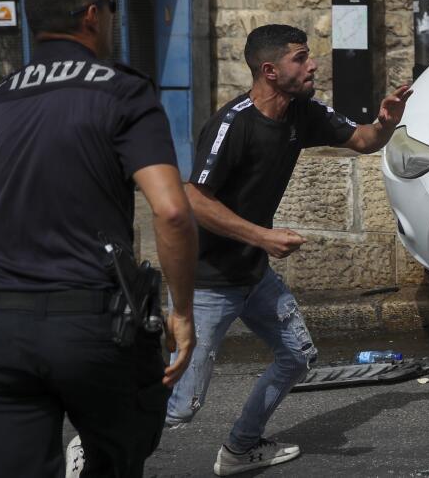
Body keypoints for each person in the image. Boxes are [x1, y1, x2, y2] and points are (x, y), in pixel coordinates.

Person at [0, 0, 198, 477]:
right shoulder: (121, 90)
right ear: (92, 16)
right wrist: (181, 311)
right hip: (93, 324)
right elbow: (171, 211)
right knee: (119, 456)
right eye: (113, 8)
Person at [165, 24, 411, 476]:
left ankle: (241, 447)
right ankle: (97, 439)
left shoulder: (303, 111)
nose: (312, 63)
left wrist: (386, 122)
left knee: (297, 357)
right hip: (207, 281)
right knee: (181, 408)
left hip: (254, 275)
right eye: (300, 57)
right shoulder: (232, 123)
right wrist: (262, 236)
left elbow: (362, 141)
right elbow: (193, 199)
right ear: (270, 70)